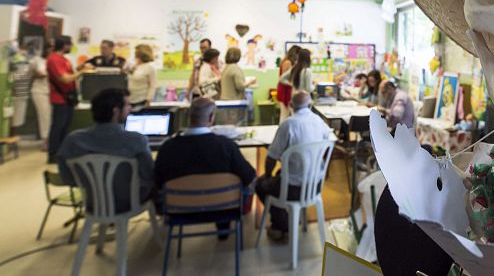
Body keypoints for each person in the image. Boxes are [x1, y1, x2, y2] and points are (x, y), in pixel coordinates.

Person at [154, 98, 256, 238]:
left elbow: (157, 180)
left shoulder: (167, 148)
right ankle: (223, 229)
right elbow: (248, 175)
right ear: (211, 118)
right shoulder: (226, 146)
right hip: (224, 208)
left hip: (179, 210)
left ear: (189, 117)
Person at [56, 88, 154, 213]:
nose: (130, 108)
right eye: (127, 105)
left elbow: (67, 177)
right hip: (128, 203)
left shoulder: (73, 140)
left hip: (92, 202)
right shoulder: (136, 140)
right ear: (116, 111)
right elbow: (149, 175)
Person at [255, 91, 330, 242]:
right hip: (314, 186)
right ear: (310, 105)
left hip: (291, 188)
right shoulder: (320, 122)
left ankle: (281, 225)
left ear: (290, 106)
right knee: (279, 176)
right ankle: (284, 222)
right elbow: (326, 147)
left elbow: (272, 157)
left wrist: (268, 175)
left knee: (261, 184)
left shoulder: (288, 124)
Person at [47, 35, 89, 163]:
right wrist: (82, 73)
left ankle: (63, 152)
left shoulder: (63, 59)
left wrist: (80, 68)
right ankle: (53, 154)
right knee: (58, 127)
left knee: (65, 127)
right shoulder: (54, 59)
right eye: (70, 44)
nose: (71, 47)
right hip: (59, 99)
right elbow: (64, 78)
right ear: (65, 45)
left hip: (68, 99)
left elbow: (69, 74)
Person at [10, 41, 36, 135]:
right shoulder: (17, 60)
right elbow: (17, 76)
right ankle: (11, 138)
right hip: (16, 93)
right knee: (13, 119)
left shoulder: (27, 61)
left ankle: (12, 138)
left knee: (16, 120)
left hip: (22, 93)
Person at [31, 41, 53, 147]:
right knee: (44, 116)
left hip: (53, 92)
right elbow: (28, 73)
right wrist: (37, 74)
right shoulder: (37, 60)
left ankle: (53, 139)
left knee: (53, 116)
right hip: (39, 91)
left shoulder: (56, 60)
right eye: (50, 48)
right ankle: (45, 140)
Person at [277, 45, 301, 122]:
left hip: (287, 89)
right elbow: (284, 78)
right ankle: (283, 132)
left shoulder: (288, 61)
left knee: (287, 114)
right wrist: (293, 84)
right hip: (285, 89)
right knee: (284, 115)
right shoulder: (287, 62)